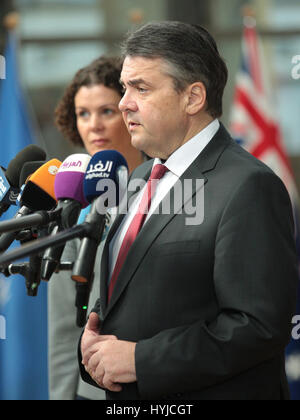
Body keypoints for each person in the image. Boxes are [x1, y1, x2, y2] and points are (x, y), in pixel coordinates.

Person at [79, 21, 298, 400]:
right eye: (125, 86)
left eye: (141, 88)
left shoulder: (248, 186)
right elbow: (131, 283)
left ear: (193, 97)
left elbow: (257, 326)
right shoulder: (142, 175)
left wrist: (140, 359)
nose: (123, 102)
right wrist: (93, 338)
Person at [48, 56, 144, 400]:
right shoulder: (71, 205)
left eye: (106, 111)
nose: (94, 126)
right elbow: (63, 329)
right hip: (91, 393)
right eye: (83, 114)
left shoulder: (171, 189)